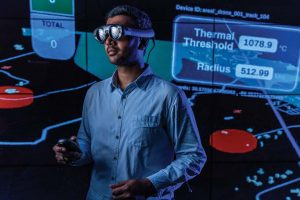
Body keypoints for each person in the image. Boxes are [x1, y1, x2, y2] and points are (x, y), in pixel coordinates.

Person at [53, 5, 206, 200]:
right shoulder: (94, 93)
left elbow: (193, 157)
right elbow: (87, 146)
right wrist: (74, 154)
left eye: (117, 33)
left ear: (142, 42)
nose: (108, 41)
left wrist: (150, 184)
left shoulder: (169, 95)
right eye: (104, 34)